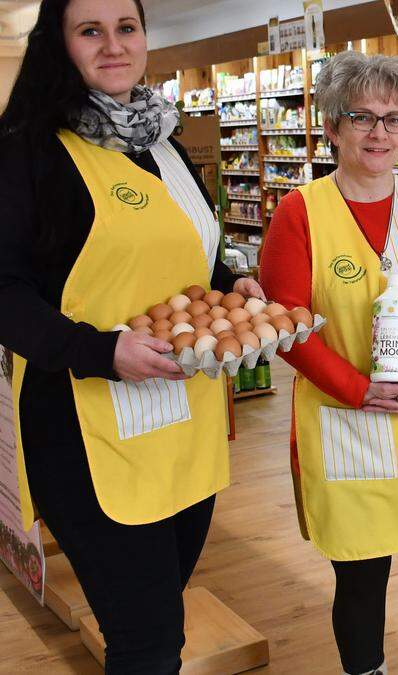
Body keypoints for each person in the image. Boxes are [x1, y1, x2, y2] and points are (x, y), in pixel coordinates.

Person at [0, 0, 264, 671]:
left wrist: (232, 283)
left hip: (181, 417)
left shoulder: (165, 141)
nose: (113, 45)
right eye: (90, 30)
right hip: (84, 425)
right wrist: (99, 350)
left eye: (127, 28)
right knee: (147, 644)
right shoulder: (29, 150)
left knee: (157, 618)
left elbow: (193, 252)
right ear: (59, 43)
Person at [259, 51, 398, 675]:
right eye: (361, 117)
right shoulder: (298, 213)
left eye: (394, 119)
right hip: (348, 424)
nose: (380, 132)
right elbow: (290, 329)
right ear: (332, 126)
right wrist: (360, 389)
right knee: (361, 578)